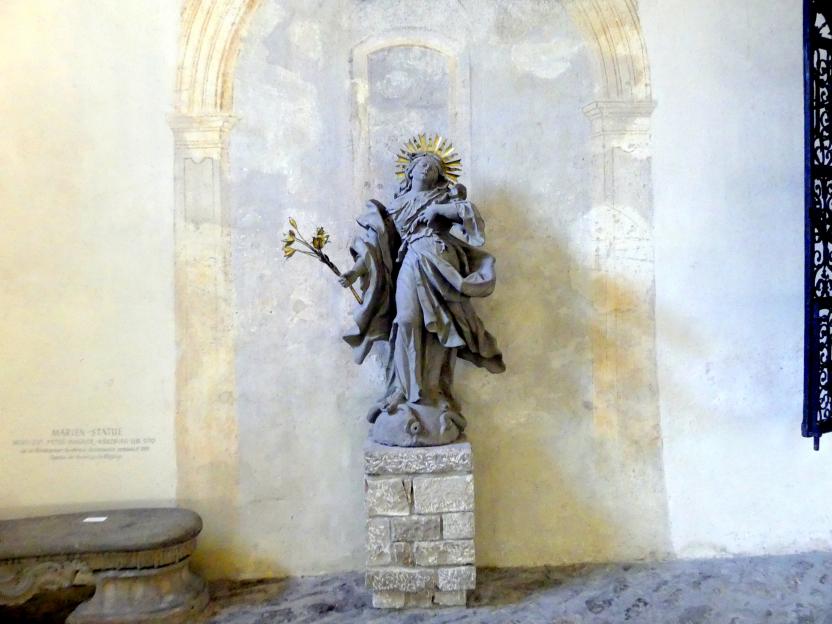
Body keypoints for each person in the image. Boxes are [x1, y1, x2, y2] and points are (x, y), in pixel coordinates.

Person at [340, 136, 504, 446]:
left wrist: (440, 210)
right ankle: (404, 390)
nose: (427, 168)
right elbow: (375, 247)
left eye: (434, 166)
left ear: (440, 175)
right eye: (422, 164)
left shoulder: (446, 196)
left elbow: (469, 216)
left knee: (440, 329)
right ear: (410, 171)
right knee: (405, 321)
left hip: (441, 261)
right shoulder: (396, 206)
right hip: (411, 259)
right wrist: (356, 271)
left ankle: (431, 391)